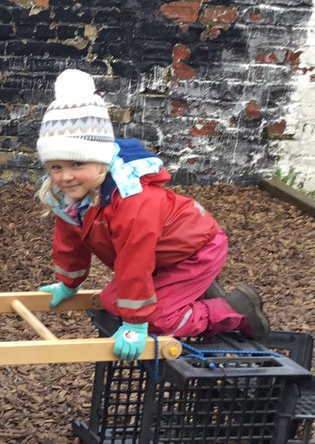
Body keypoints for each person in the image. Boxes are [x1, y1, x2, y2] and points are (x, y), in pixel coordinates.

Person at [35, 69, 271, 360]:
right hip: (164, 255)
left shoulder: (133, 200)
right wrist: (69, 283)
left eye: (76, 163)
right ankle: (193, 292)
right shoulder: (72, 199)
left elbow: (135, 259)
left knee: (158, 319)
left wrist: (136, 323)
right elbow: (70, 242)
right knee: (111, 300)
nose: (66, 176)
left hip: (196, 251)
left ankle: (235, 310)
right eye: (56, 167)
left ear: (101, 162)